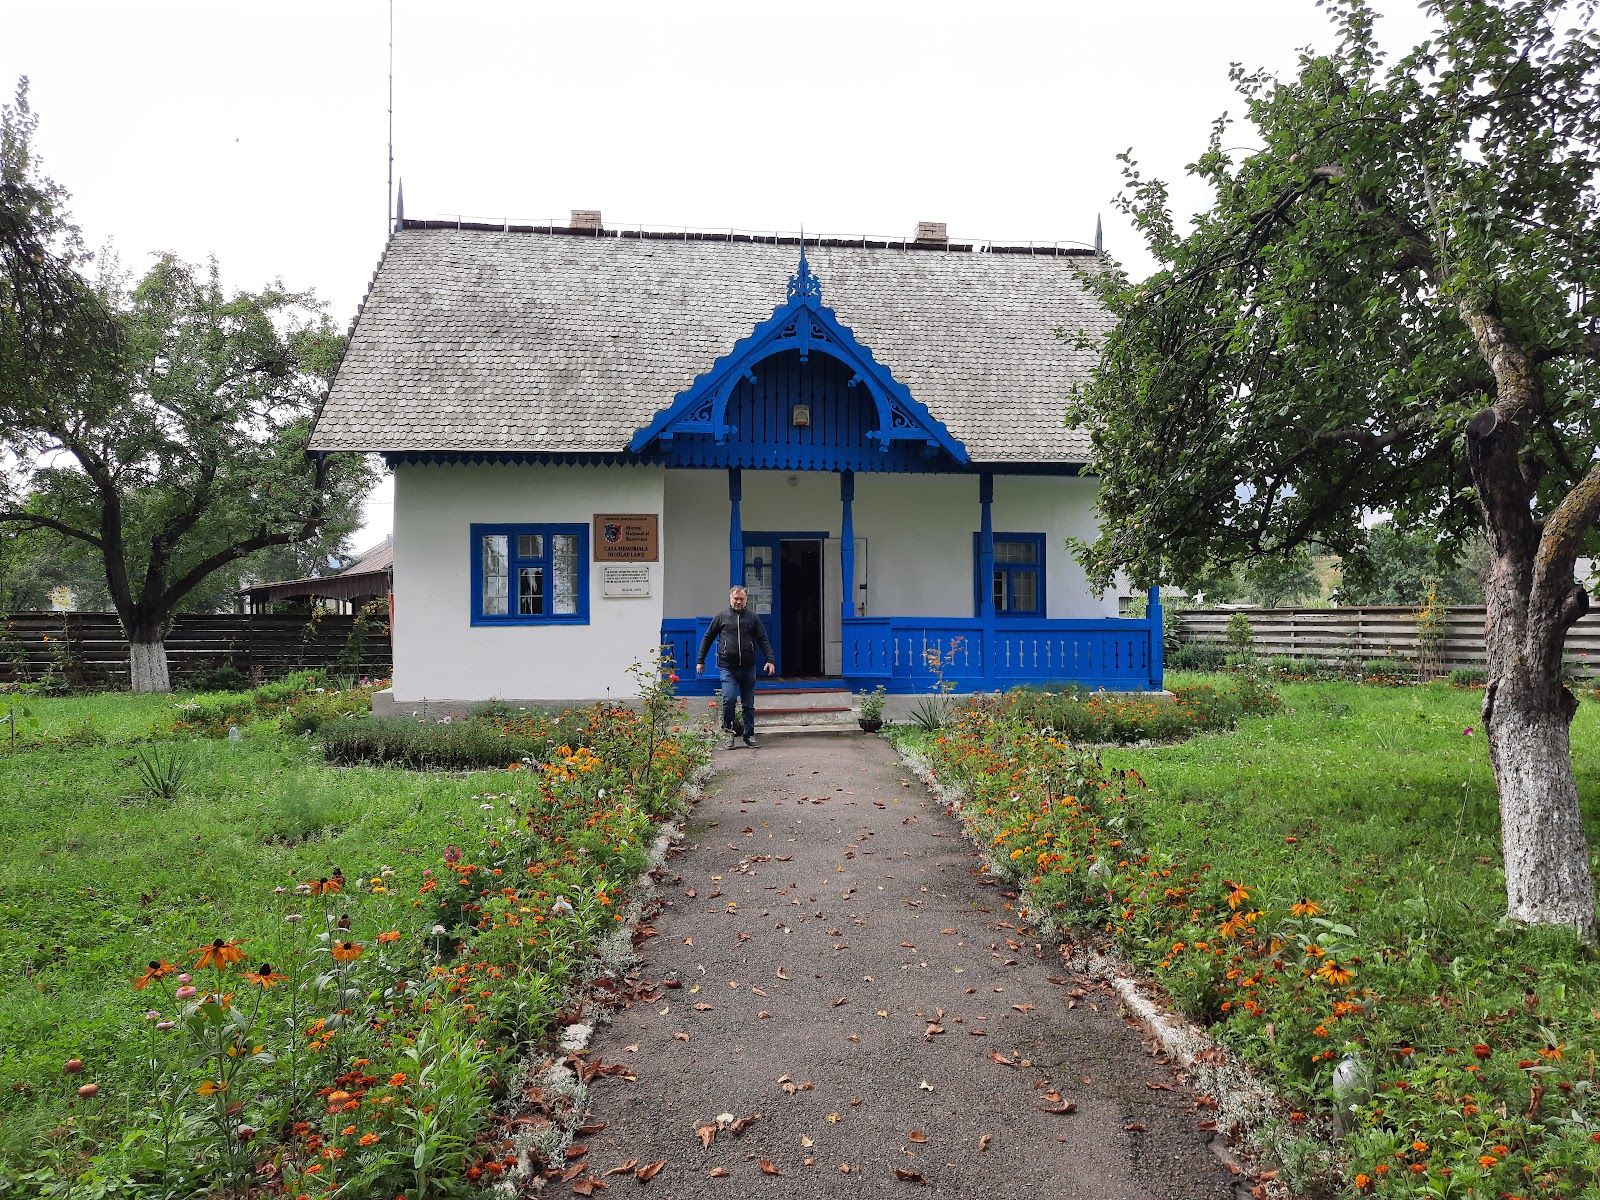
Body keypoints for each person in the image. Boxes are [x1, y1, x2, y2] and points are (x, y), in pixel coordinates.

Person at [695, 585, 776, 749]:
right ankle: (729, 733)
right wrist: (700, 660)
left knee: (748, 704)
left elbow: (763, 639)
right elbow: (707, 638)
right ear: (730, 598)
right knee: (729, 699)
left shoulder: (753, 618)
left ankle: (748, 735)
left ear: (746, 600)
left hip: (748, 667)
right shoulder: (721, 616)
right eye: (735, 599)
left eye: (741, 599)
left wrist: (770, 659)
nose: (738, 602)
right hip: (728, 668)